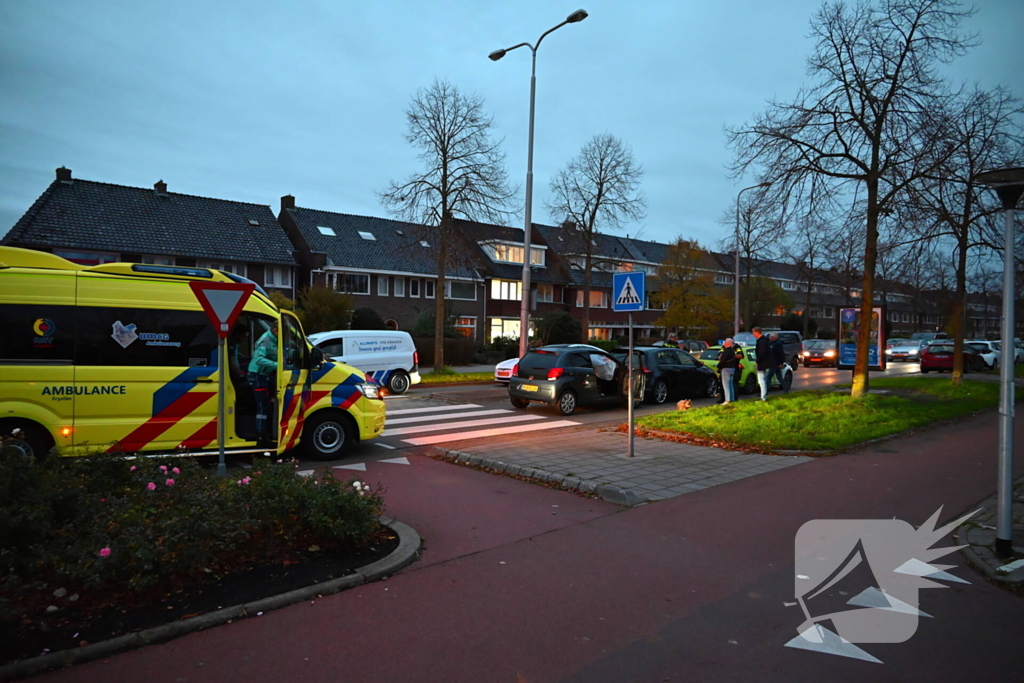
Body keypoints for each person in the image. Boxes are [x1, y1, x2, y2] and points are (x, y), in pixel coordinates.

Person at [247, 326, 278, 444]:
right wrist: (277, 365)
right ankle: (261, 436)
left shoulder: (274, 339)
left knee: (274, 399)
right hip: (257, 376)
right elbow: (259, 359)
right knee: (262, 406)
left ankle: (269, 430)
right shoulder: (266, 340)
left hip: (265, 375)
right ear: (275, 330)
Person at [717, 338, 739, 404]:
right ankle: (732, 399)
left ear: (727, 343)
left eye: (725, 342)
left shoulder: (726, 351)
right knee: (731, 385)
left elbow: (723, 360)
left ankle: (727, 400)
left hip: (726, 369)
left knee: (726, 386)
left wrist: (718, 367)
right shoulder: (732, 351)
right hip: (732, 368)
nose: (724, 343)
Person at [753, 327, 771, 402]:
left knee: (761, 380)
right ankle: (763, 395)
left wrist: (757, 361)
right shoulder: (765, 340)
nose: (753, 334)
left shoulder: (761, 341)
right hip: (765, 362)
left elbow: (761, 353)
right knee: (763, 379)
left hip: (762, 363)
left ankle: (763, 397)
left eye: (753, 332)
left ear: (757, 332)